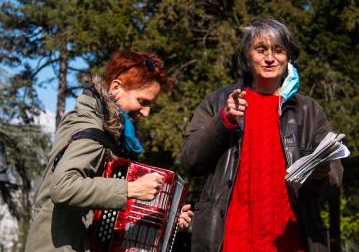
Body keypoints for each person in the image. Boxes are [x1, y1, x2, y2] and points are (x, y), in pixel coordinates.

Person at [180, 18, 343, 252]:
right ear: (248, 56)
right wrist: (223, 120)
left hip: (292, 244)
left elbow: (334, 180)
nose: (270, 58)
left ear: (288, 57)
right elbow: (190, 161)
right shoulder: (219, 101)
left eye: (278, 50)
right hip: (230, 243)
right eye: (261, 49)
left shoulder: (309, 110)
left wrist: (321, 172)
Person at [25, 50, 193, 252]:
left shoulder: (113, 135)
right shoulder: (89, 126)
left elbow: (108, 210)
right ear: (116, 88)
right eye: (143, 102)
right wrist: (131, 189)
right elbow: (62, 186)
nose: (146, 112)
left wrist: (166, 217)